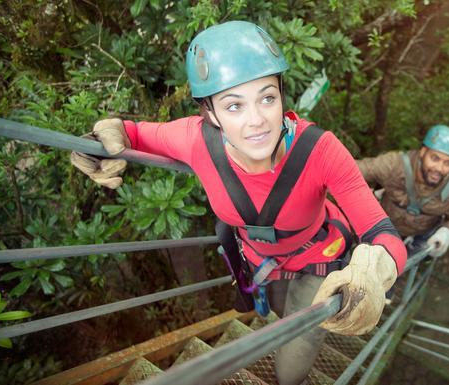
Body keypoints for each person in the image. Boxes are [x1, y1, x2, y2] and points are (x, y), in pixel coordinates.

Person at [70, 20, 406, 385]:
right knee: (278, 316)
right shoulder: (197, 140)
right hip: (262, 261)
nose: (257, 120)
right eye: (234, 106)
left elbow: (382, 231)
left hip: (318, 260)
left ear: (281, 96)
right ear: (210, 113)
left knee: (297, 347)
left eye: (267, 98)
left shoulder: (320, 151)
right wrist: (99, 144)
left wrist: (374, 272)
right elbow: (131, 133)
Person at [357, 124, 449, 258]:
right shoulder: (395, 164)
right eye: (435, 158)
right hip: (381, 225)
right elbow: (354, 170)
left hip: (420, 238)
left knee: (408, 263)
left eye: (448, 163)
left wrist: (448, 233)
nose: (440, 168)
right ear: (423, 152)